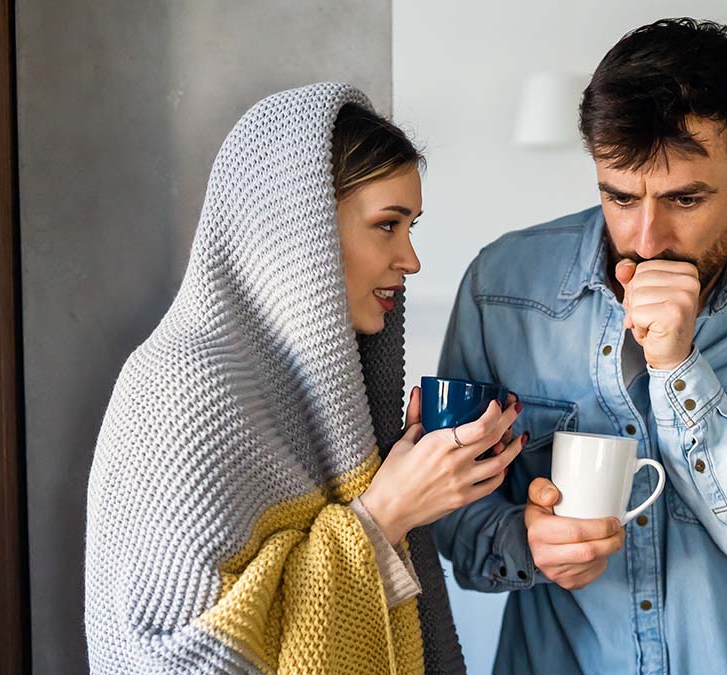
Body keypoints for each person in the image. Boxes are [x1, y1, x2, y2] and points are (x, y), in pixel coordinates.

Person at [434, 18, 727, 675]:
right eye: (620, 196)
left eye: (685, 198)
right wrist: (525, 540)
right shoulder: (500, 287)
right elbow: (451, 515)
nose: (647, 238)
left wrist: (679, 368)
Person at [84, 82, 526, 675]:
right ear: (300, 232)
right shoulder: (177, 390)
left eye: (411, 227)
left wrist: (411, 485)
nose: (412, 260)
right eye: (388, 226)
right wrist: (385, 513)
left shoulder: (328, 399)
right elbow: (171, 662)